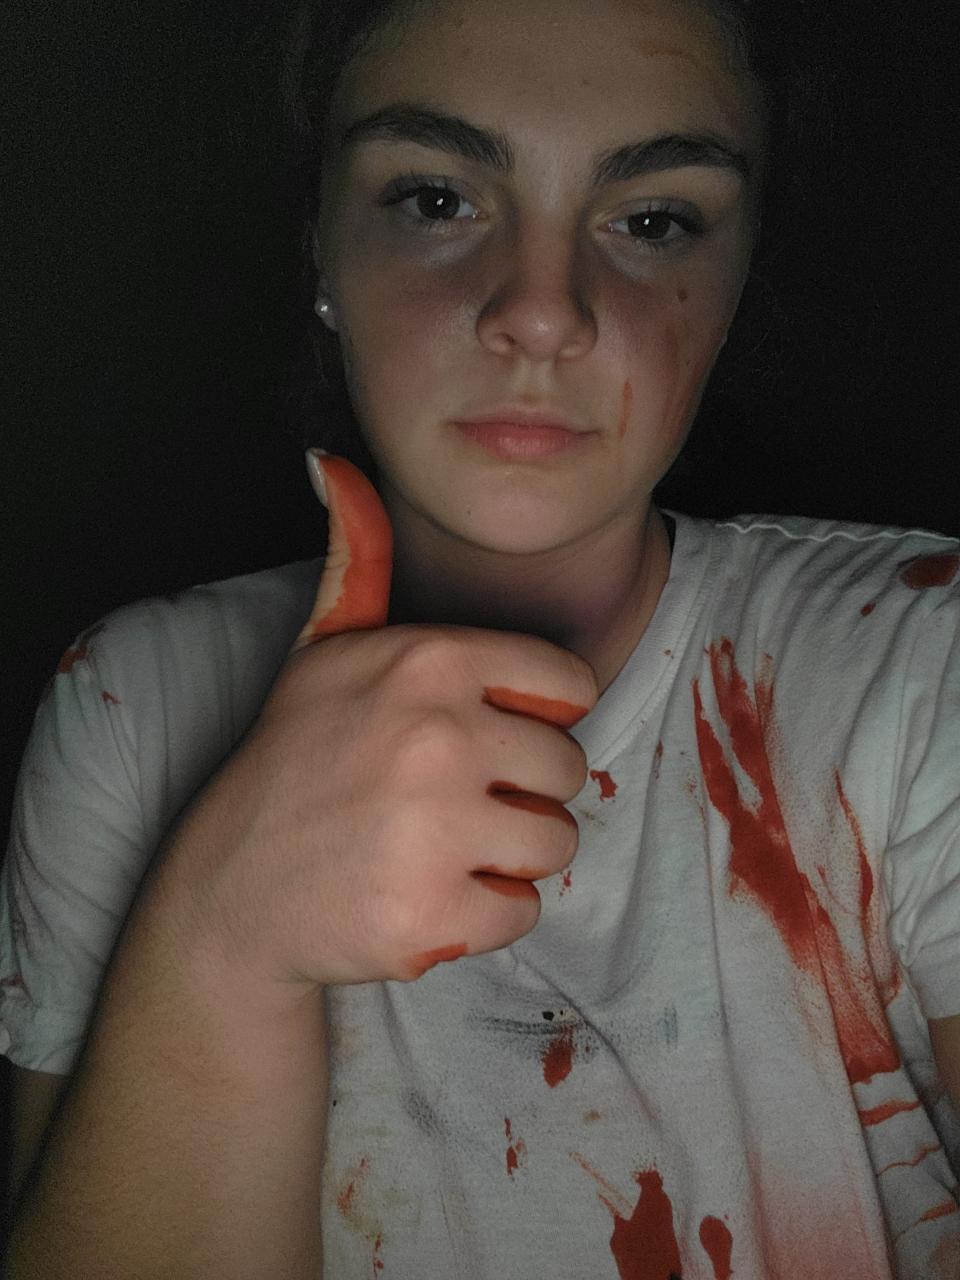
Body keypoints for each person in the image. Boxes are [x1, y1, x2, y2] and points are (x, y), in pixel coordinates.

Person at [2, 0, 959, 1275]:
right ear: (320, 245)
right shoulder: (131, 709)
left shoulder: (922, 666)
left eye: (655, 220)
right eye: (437, 198)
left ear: (737, 282)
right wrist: (223, 935)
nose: (542, 312)